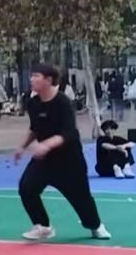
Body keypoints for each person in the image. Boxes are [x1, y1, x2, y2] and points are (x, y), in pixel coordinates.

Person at [14, 62, 109, 241]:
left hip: (69, 161)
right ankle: (43, 226)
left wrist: (46, 145)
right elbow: (34, 128)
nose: (31, 79)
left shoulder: (63, 102)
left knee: (81, 199)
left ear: (49, 80)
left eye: (36, 76)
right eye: (31, 76)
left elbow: (69, 133)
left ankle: (95, 225)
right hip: (44, 160)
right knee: (26, 187)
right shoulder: (33, 103)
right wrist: (22, 146)